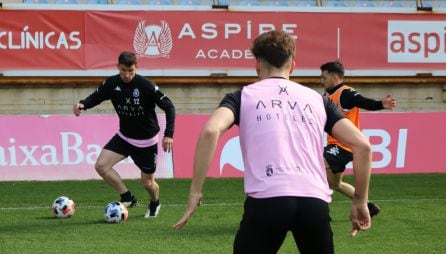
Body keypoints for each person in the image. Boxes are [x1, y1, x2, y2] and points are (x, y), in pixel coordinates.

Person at [174, 30, 372, 253]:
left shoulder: (242, 96)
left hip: (268, 200)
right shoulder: (318, 100)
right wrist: (360, 201)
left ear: (257, 64)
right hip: (314, 202)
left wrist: (195, 191)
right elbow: (363, 146)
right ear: (293, 65)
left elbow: (211, 131)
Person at [73, 51, 175, 218]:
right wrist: (83, 104)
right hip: (124, 137)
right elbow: (97, 96)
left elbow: (169, 107)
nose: (127, 75)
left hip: (146, 143)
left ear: (136, 68)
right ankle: (127, 197)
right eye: (123, 71)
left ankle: (155, 202)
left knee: (148, 183)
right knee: (101, 166)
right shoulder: (112, 83)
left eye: (131, 71)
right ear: (117, 67)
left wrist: (169, 133)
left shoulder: (146, 86)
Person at [320, 60, 397, 218]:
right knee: (335, 184)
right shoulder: (327, 95)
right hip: (335, 145)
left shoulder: (345, 93)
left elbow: (363, 102)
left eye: (324, 77)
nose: (321, 81)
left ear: (335, 77)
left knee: (316, 168)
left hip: (343, 146)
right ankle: (368, 206)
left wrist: (380, 104)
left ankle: (322, 213)